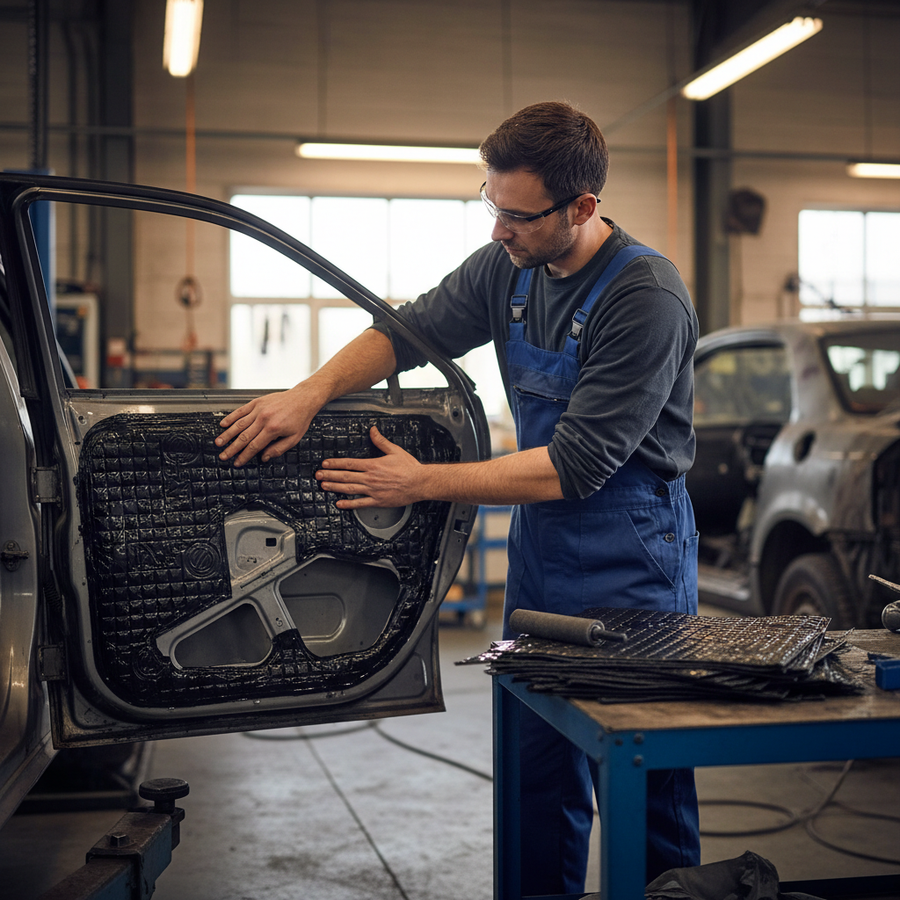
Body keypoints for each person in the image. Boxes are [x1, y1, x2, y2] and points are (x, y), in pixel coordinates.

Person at [216, 100, 701, 894]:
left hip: (633, 549)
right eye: (490, 205)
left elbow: (573, 465)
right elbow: (405, 331)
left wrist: (422, 483)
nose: (497, 231)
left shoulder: (644, 296)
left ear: (581, 209)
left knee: (641, 769)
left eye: (516, 215)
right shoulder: (505, 268)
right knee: (535, 763)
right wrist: (309, 393)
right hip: (545, 548)